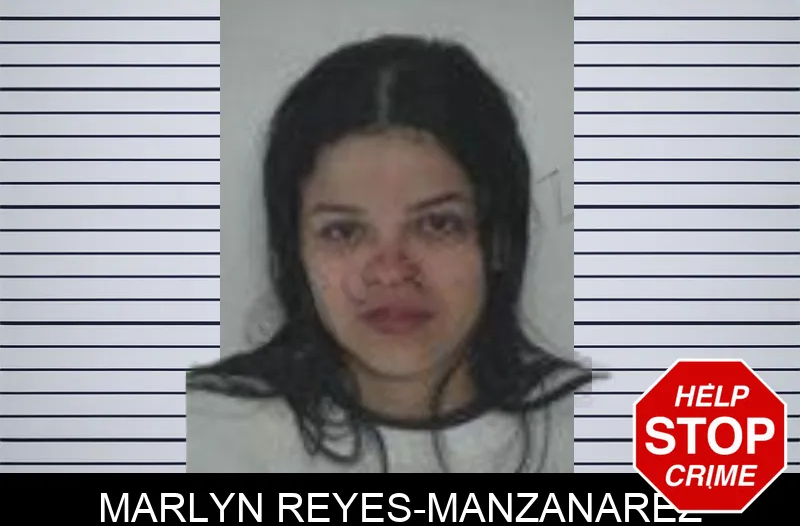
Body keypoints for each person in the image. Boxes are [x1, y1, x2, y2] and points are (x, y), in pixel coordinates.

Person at [186, 34, 593, 473]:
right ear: (296, 250)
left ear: (498, 241)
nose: (390, 272)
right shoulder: (204, 435)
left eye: (437, 224)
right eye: (343, 231)